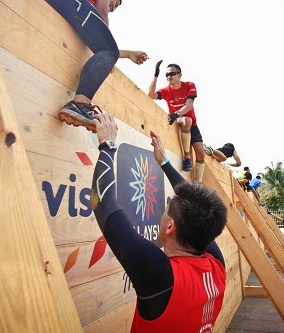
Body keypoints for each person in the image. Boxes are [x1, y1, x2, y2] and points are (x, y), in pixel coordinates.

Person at [90, 112, 228, 331]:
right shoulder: (215, 263)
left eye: (166, 209)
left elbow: (103, 203)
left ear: (170, 226)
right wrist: (164, 162)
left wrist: (108, 144)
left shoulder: (161, 277)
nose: (163, 212)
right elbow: (194, 200)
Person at [31, 0, 148, 132]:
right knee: (108, 49)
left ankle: (79, 104)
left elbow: (101, 45)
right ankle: (80, 104)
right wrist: (107, 52)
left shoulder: (82, 7)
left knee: (107, 50)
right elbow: (102, 10)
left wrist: (127, 54)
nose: (113, 8)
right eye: (115, 3)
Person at [148, 61, 206, 181]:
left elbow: (189, 105)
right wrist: (156, 75)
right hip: (178, 121)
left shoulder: (189, 85)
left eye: (172, 74)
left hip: (188, 121)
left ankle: (197, 184)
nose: (169, 76)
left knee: (201, 154)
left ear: (179, 75)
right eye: (167, 74)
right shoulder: (166, 90)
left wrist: (176, 113)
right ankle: (187, 158)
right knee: (187, 121)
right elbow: (151, 95)